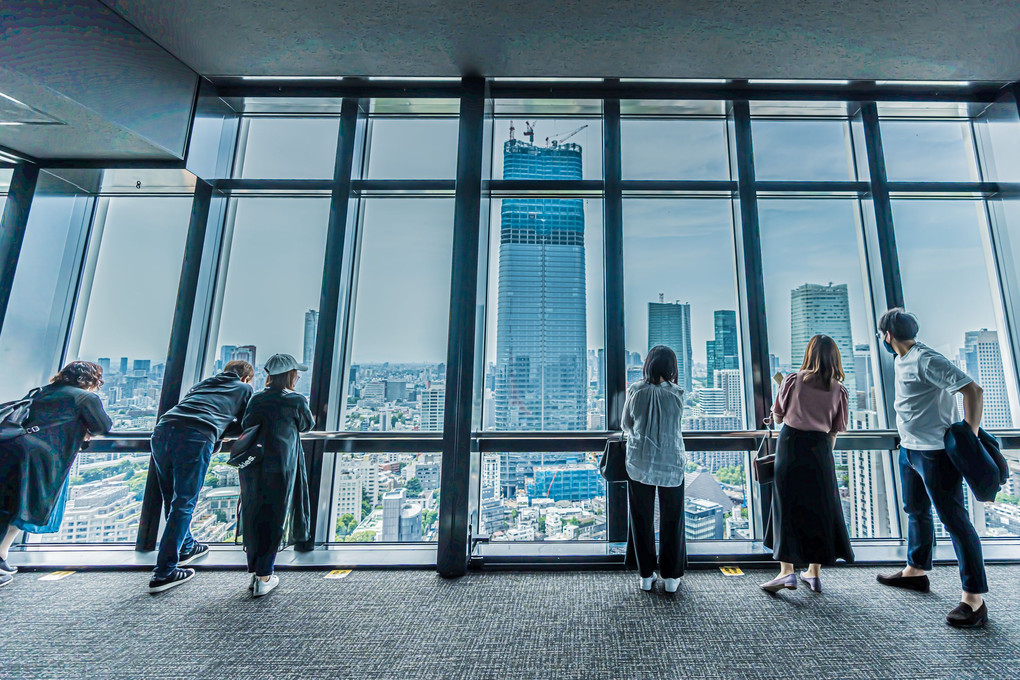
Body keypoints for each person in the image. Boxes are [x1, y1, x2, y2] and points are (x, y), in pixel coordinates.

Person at [875, 308, 989, 628]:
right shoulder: (901, 359)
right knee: (915, 511)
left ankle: (974, 599)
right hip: (910, 450)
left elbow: (973, 390)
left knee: (955, 522)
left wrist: (969, 436)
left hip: (936, 454)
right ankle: (916, 571)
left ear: (887, 335)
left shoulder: (926, 358)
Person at [0, 362, 113, 587]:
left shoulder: (42, 391)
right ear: (92, 379)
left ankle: (1, 558)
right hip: (38, 458)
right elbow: (103, 426)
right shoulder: (85, 398)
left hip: (10, 449)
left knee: (8, 506)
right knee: (18, 507)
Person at [148, 360, 254, 593]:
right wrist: (219, 431)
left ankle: (186, 546)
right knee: (184, 503)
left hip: (162, 431)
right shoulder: (244, 388)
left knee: (172, 499)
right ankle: (164, 572)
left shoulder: (203, 384)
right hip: (195, 436)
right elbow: (246, 424)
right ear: (246, 378)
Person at [760, 335, 854, 594]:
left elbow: (778, 417)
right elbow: (835, 430)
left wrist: (777, 409)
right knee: (818, 510)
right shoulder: (839, 390)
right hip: (820, 451)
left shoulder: (793, 380)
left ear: (809, 354)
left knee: (785, 507)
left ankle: (786, 572)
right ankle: (813, 573)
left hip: (791, 447)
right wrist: (823, 456)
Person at [238, 354, 313, 597]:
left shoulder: (257, 398)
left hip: (253, 465)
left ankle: (256, 571)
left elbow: (246, 424)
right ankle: (264, 576)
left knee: (254, 512)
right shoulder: (296, 400)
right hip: (281, 464)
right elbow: (307, 426)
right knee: (275, 515)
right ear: (291, 375)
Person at [622, 345, 687, 594]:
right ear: (672, 368)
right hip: (671, 462)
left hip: (640, 463)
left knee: (641, 519)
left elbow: (626, 424)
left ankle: (645, 576)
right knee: (672, 519)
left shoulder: (636, 390)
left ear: (647, 364)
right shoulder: (677, 393)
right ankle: (671, 579)